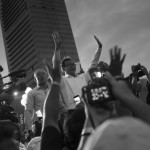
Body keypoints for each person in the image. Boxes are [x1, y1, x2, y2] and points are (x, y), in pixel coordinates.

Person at [52, 31, 103, 110]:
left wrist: (99, 48)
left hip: (90, 109)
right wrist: (57, 49)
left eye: (73, 64)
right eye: (69, 65)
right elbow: (55, 66)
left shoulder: (83, 77)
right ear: (63, 68)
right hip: (73, 111)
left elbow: (93, 64)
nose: (73, 66)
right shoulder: (62, 80)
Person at [24, 68, 50, 137]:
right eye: (38, 75)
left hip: (57, 120)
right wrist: (29, 129)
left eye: (43, 74)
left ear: (48, 76)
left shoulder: (53, 89)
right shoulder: (31, 93)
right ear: (35, 79)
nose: (41, 76)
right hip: (41, 124)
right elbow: (28, 110)